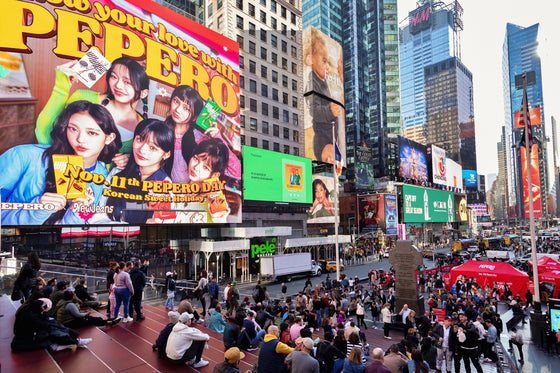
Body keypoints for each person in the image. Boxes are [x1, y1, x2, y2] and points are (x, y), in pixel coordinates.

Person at [0, 101, 121, 225]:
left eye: (91, 133)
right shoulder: (24, 156)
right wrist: (37, 209)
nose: (80, 139)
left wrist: (75, 215)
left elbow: (68, 230)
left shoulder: (102, 175)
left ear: (109, 138)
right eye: (73, 129)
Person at [36, 57, 149, 159]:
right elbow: (44, 135)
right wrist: (61, 89)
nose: (118, 85)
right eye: (114, 77)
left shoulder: (143, 128)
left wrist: (128, 161)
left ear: (143, 93)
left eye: (127, 82)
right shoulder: (84, 97)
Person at [100, 119, 173, 224]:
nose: (142, 149)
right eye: (139, 140)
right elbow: (100, 212)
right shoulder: (118, 171)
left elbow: (160, 225)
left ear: (166, 154)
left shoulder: (164, 187)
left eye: (152, 147)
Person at [163, 85, 240, 182]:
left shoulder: (200, 138)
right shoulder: (161, 130)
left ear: (195, 116)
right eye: (176, 101)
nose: (177, 109)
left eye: (186, 108)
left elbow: (237, 171)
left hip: (192, 193)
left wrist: (218, 138)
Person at [303, 27, 341, 162]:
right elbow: (315, 111)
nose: (327, 66)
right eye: (324, 61)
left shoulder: (324, 81)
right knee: (330, 160)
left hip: (331, 133)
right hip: (322, 138)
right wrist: (329, 110)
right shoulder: (311, 82)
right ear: (310, 60)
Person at [12, 298, 92, 352]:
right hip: (27, 339)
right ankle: (75, 341)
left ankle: (75, 340)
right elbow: (44, 325)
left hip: (24, 337)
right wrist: (45, 313)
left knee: (53, 328)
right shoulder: (31, 317)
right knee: (52, 332)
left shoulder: (26, 309)